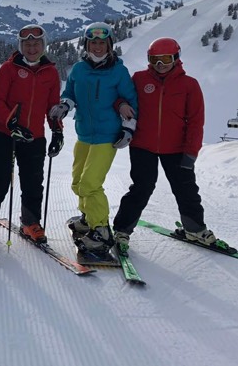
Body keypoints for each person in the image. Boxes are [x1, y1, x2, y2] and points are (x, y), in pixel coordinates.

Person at [112, 38, 235, 254]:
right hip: (143, 145)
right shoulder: (139, 79)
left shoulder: (189, 85)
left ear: (176, 58)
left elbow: (195, 121)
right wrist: (121, 104)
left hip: (177, 148)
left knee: (186, 189)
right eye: (155, 60)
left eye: (166, 59)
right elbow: (120, 97)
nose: (160, 65)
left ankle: (195, 229)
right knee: (141, 188)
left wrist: (191, 152)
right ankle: (122, 230)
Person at [51, 22, 137, 257]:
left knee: (90, 183)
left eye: (102, 43)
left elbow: (130, 101)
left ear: (109, 45)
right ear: (86, 45)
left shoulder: (118, 71)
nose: (97, 47)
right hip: (84, 133)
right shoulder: (79, 69)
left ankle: (101, 231)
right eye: (93, 43)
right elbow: (70, 92)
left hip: (107, 136)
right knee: (78, 182)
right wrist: (65, 104)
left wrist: (128, 128)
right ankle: (88, 218)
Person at [0, 24, 62, 245]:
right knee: (0, 179)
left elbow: (52, 106)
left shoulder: (50, 72)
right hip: (2, 133)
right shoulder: (9, 68)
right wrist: (11, 123)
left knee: (33, 182)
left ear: (43, 45)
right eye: (27, 44)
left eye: (36, 44)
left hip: (34, 136)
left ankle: (30, 223)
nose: (32, 48)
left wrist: (57, 130)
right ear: (21, 46)